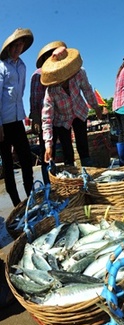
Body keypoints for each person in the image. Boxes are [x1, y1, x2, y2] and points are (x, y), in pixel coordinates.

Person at [41, 46, 103, 167]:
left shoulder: (79, 73)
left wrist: (96, 107)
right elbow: (47, 118)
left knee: (83, 145)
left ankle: (87, 167)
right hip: (62, 119)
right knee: (67, 150)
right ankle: (70, 169)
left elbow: (87, 91)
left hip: (79, 111)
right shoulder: (50, 91)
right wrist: (48, 145)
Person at [0, 28, 35, 206]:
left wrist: (24, 114)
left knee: (26, 158)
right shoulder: (1, 66)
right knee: (7, 163)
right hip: (3, 122)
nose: (17, 49)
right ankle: (16, 203)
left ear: (22, 47)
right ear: (8, 48)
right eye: (14, 46)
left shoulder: (22, 66)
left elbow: (20, 92)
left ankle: (30, 195)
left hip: (17, 119)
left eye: (19, 45)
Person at [29, 40, 67, 183]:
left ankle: (68, 181)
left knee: (65, 149)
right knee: (46, 152)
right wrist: (36, 119)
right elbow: (34, 98)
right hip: (46, 120)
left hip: (62, 117)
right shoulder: (38, 74)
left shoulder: (62, 71)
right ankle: (48, 184)